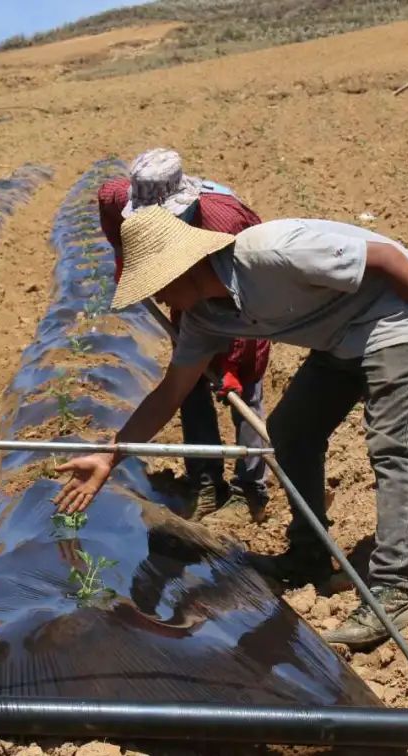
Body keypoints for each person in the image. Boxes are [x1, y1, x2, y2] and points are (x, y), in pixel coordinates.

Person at [54, 206, 408, 649]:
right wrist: (109, 455)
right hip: (338, 338)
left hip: (394, 318)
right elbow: (171, 391)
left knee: (395, 450)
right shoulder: (204, 317)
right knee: (291, 431)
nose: (158, 301)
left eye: (157, 288)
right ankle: (308, 557)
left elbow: (388, 260)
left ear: (183, 271)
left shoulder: (268, 254)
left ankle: (391, 591)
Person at [97, 148, 271, 523]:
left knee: (246, 385)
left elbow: (250, 297)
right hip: (186, 293)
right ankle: (205, 477)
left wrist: (234, 365)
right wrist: (126, 263)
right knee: (188, 380)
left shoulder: (223, 222)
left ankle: (250, 489)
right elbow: (109, 213)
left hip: (243, 303)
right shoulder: (118, 195)